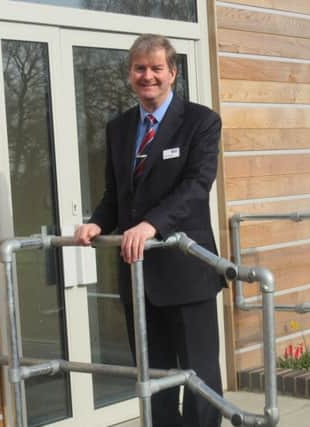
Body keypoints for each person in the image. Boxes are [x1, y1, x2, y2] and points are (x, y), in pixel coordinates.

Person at [74, 34, 224, 427]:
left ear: (172, 73)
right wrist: (98, 222)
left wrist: (150, 224)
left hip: (186, 270)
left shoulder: (201, 121)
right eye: (140, 68)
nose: (148, 76)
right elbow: (116, 194)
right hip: (138, 274)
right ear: (130, 75)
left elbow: (196, 186)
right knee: (154, 379)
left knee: (198, 375)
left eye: (157, 68)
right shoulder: (119, 128)